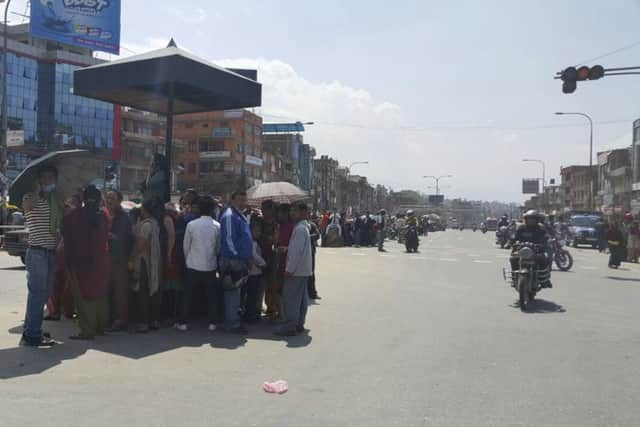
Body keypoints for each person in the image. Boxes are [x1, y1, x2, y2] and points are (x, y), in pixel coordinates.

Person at [20, 164, 63, 347]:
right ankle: (32, 335)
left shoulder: (54, 200)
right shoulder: (30, 197)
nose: (50, 181)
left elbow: (56, 226)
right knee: (37, 294)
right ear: (39, 180)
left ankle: (31, 330)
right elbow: (27, 207)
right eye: (46, 178)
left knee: (42, 295)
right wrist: (37, 191)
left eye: (52, 178)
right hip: (37, 252)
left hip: (50, 252)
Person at [63, 185, 111, 340]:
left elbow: (67, 240)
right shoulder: (103, 216)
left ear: (83, 199)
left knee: (82, 297)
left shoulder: (73, 216)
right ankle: (99, 327)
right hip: (100, 262)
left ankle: (87, 330)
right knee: (100, 295)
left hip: (78, 263)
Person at [177, 196, 221, 332]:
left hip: (193, 264)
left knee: (188, 295)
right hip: (210, 265)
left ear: (199, 209)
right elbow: (218, 247)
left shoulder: (191, 225)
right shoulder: (217, 225)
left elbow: (186, 246)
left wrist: (188, 260)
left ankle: (183, 322)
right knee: (211, 296)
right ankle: (212, 322)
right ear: (213, 209)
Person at [275, 202, 313, 337]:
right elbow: (297, 249)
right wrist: (286, 249)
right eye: (291, 211)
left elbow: (296, 252)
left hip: (296, 271)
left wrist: (289, 269)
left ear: (303, 213)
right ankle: (298, 324)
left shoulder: (300, 229)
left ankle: (290, 326)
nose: (292, 213)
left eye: (295, 211)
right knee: (301, 299)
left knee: (290, 298)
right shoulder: (302, 227)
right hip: (303, 270)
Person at [219, 191, 253, 334]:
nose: (242, 202)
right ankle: (231, 323)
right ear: (232, 200)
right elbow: (228, 239)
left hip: (240, 259)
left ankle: (234, 320)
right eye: (239, 200)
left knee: (236, 292)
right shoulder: (229, 216)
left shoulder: (239, 215)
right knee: (232, 293)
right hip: (232, 260)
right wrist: (234, 257)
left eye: (244, 200)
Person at [45, 195, 80, 321]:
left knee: (63, 282)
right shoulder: (63, 210)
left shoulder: (70, 212)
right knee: (61, 282)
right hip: (63, 248)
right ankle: (62, 310)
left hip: (66, 249)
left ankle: (60, 310)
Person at [130, 199, 162, 333]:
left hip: (143, 261)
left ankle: (143, 323)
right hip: (154, 261)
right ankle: (154, 320)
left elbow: (140, 244)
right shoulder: (155, 223)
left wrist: (131, 258)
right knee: (152, 290)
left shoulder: (146, 225)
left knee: (142, 292)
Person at [105, 190, 134, 331]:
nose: (109, 200)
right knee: (107, 290)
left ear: (118, 201)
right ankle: (108, 317)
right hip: (105, 259)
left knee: (120, 291)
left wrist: (108, 235)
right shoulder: (103, 214)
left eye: (112, 198)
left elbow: (123, 238)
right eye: (107, 197)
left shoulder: (124, 217)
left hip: (119, 259)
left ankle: (121, 320)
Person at [509, 210, 552, 288]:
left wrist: (545, 243)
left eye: (533, 219)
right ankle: (514, 278)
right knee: (513, 258)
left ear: (537, 220)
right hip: (522, 251)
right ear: (526, 219)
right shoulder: (521, 228)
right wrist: (512, 242)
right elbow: (514, 237)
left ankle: (544, 280)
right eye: (529, 219)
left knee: (545, 259)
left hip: (537, 251)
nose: (531, 220)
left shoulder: (540, 229)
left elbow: (546, 238)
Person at [244, 219, 266, 323]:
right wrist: (263, 263)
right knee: (252, 296)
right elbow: (255, 255)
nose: (259, 233)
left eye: (259, 231)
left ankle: (250, 314)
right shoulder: (252, 243)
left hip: (254, 272)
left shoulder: (253, 242)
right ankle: (250, 316)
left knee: (252, 295)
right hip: (253, 272)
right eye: (256, 231)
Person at [260, 200, 278, 319]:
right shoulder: (259, 222)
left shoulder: (277, 223)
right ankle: (262, 306)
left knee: (272, 283)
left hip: (274, 256)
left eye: (266, 208)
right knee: (261, 283)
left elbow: (276, 239)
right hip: (260, 255)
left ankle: (272, 307)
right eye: (263, 208)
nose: (264, 211)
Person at [307, 213, 321, 299]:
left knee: (311, 272)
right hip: (300, 252)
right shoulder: (296, 225)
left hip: (310, 251)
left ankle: (312, 293)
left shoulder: (312, 225)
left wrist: (307, 237)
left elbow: (317, 235)